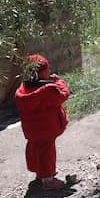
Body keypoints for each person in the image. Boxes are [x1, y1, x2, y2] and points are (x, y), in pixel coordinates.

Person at [14, 54, 70, 190]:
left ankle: (40, 175)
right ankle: (48, 181)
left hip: (32, 130)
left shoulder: (21, 91)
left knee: (35, 148)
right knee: (46, 152)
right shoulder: (48, 91)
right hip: (47, 129)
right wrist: (58, 81)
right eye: (47, 70)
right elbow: (64, 94)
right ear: (41, 73)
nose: (49, 72)